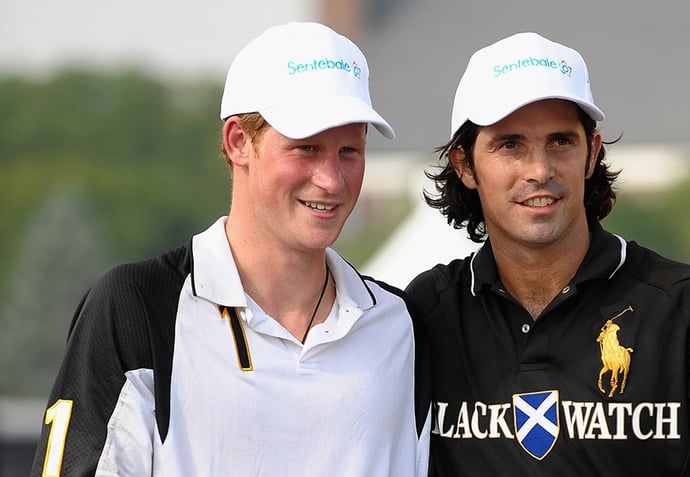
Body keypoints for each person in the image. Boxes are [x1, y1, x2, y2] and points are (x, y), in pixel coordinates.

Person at [31, 21, 428, 476]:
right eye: (306, 149)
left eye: (349, 151)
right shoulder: (137, 308)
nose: (332, 180)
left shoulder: (401, 325)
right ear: (239, 141)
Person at [406, 32, 690, 476]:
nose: (539, 170)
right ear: (464, 165)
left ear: (591, 153)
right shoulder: (423, 313)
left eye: (560, 142)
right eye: (510, 144)